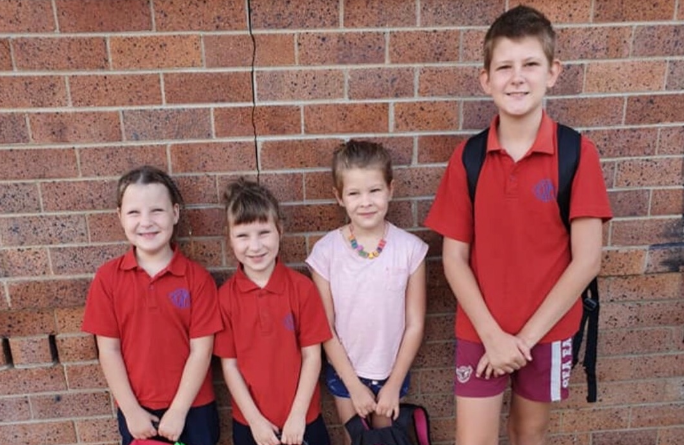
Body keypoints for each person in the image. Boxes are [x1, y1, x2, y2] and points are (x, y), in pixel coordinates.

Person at [424, 5, 613, 445]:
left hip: (547, 332)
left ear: (553, 72)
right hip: (479, 331)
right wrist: (494, 336)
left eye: (530, 64)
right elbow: (454, 259)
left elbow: (586, 261)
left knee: (529, 434)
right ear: (486, 79)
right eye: (504, 66)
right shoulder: (467, 159)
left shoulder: (577, 155)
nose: (517, 77)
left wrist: (523, 340)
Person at [82, 165, 222, 445]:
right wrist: (131, 411)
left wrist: (179, 411)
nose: (146, 222)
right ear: (119, 216)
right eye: (134, 212)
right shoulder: (108, 278)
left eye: (157, 210)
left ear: (175, 213)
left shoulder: (197, 279)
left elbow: (201, 352)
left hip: (193, 407)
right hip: (137, 409)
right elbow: (108, 349)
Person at [306, 140, 428, 434]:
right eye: (354, 193)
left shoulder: (410, 249)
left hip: (392, 371)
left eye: (374, 190)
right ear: (339, 197)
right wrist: (353, 385)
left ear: (391, 190)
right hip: (346, 372)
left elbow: (414, 324)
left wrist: (394, 383)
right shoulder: (326, 253)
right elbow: (326, 326)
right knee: (358, 441)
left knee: (385, 440)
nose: (366, 201)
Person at [214, 178, 332, 445]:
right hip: (251, 423)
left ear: (280, 230)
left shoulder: (302, 288)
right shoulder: (225, 298)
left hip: (303, 419)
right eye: (243, 235)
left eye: (263, 232)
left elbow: (312, 356)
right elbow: (229, 366)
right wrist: (255, 421)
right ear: (229, 239)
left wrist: (297, 415)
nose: (255, 246)